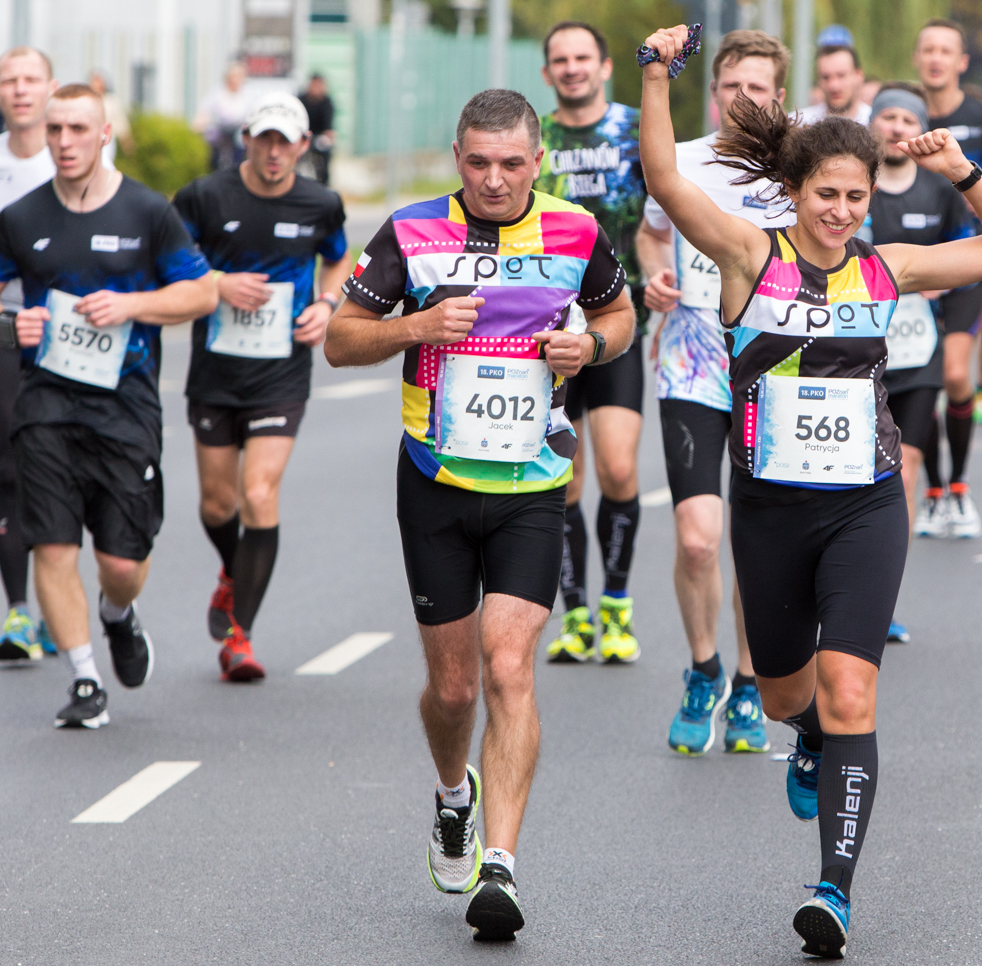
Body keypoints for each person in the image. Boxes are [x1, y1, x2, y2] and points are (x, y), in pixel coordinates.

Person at [638, 21, 982, 961]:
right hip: (772, 512)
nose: (842, 213)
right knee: (788, 697)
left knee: (854, 687)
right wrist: (656, 74)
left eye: (857, 198)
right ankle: (808, 735)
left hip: (865, 506)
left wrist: (958, 169)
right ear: (795, 190)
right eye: (827, 195)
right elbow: (663, 180)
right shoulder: (748, 254)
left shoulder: (886, 268)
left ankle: (833, 890)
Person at [324, 88, 635, 941]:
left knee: (509, 666)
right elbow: (341, 338)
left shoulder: (575, 231)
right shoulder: (412, 232)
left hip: (534, 480)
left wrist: (594, 345)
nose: (493, 180)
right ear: (456, 157)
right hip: (434, 478)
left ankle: (499, 863)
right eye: (476, 162)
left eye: (510, 164)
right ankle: (452, 794)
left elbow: (620, 312)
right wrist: (417, 324)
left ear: (537, 160)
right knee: (455, 685)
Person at [0, 83, 217, 728]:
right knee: (53, 546)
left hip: (124, 407)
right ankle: (85, 678)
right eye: (56, 128)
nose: (65, 142)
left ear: (103, 135)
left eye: (77, 129)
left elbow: (201, 293)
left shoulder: (147, 212)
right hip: (44, 405)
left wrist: (133, 305)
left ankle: (117, 613)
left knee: (121, 561)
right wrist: (15, 328)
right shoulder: (21, 217)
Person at [636, 29, 792, 754]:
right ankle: (704, 669)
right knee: (699, 538)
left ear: (778, 97)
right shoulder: (684, 159)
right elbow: (652, 232)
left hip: (775, 370)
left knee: (756, 543)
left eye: (757, 87)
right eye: (732, 86)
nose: (743, 98)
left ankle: (752, 685)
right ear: (715, 91)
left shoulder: (800, 168)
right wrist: (657, 275)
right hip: (693, 364)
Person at [173, 93, 348, 681]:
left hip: (282, 372)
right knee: (218, 503)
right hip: (216, 371)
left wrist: (327, 303)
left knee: (260, 494)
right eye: (265, 139)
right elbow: (168, 260)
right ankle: (232, 571)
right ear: (246, 138)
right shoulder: (204, 196)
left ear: (303, 145)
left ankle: (239, 637)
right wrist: (217, 282)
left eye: (287, 141)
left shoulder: (320, 202)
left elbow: (337, 259)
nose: (275, 152)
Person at [534, 21, 648, 669]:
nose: (573, 68)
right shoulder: (534, 139)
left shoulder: (634, 131)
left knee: (620, 467)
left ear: (604, 66)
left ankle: (619, 607)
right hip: (546, 330)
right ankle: (576, 616)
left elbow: (666, 210)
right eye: (560, 60)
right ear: (548, 73)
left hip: (618, 320)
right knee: (566, 475)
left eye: (583, 57)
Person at [864, 82, 972, 635]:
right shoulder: (854, 189)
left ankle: (882, 602)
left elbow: (970, 251)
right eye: (888, 117)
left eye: (909, 119)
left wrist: (940, 288)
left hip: (918, 348)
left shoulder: (938, 190)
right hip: (858, 353)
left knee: (902, 470)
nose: (898, 127)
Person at [912, 19, 982, 536]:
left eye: (945, 50)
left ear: (961, 62)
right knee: (922, 381)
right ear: (916, 58)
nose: (935, 59)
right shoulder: (901, 112)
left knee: (955, 375)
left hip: (966, 261)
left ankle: (960, 486)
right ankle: (933, 490)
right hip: (913, 265)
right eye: (927, 49)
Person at [0, 47, 59, 662]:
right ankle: (20, 611)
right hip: (9, 331)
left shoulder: (71, 154)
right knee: (11, 467)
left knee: (67, 470)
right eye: (9, 81)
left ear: (50, 87)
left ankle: (64, 595)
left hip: (73, 337)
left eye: (31, 79)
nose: (20, 90)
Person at [194, 62, 252, 173]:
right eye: (234, 76)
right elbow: (205, 110)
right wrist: (199, 125)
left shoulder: (247, 94)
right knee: (215, 152)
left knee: (239, 150)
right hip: (220, 132)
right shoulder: (217, 92)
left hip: (238, 132)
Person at [797, 43, 870, 125]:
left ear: (858, 75)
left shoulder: (874, 124)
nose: (834, 86)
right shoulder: (801, 124)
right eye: (825, 77)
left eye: (841, 75)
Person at [297, 73, 336, 185]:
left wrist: (328, 137)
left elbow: (328, 127)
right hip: (303, 136)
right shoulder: (301, 100)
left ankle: (324, 182)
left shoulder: (327, 102)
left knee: (325, 151)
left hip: (319, 138)